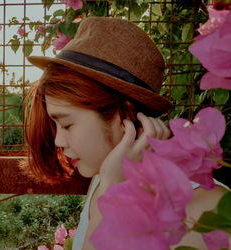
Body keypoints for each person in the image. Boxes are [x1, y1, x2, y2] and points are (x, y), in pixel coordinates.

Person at [23, 17, 227, 249]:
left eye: (67, 125)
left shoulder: (207, 212)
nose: (58, 140)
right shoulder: (106, 175)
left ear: (124, 115)